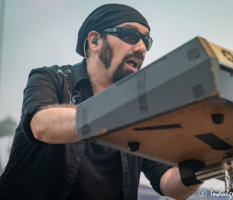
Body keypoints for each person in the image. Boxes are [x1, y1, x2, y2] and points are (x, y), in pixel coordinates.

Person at [0, 4, 200, 200]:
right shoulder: (51, 77)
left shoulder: (138, 111)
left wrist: (205, 162)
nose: (141, 48)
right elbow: (41, 125)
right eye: (130, 35)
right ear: (95, 41)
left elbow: (167, 182)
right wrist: (124, 110)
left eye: (146, 41)